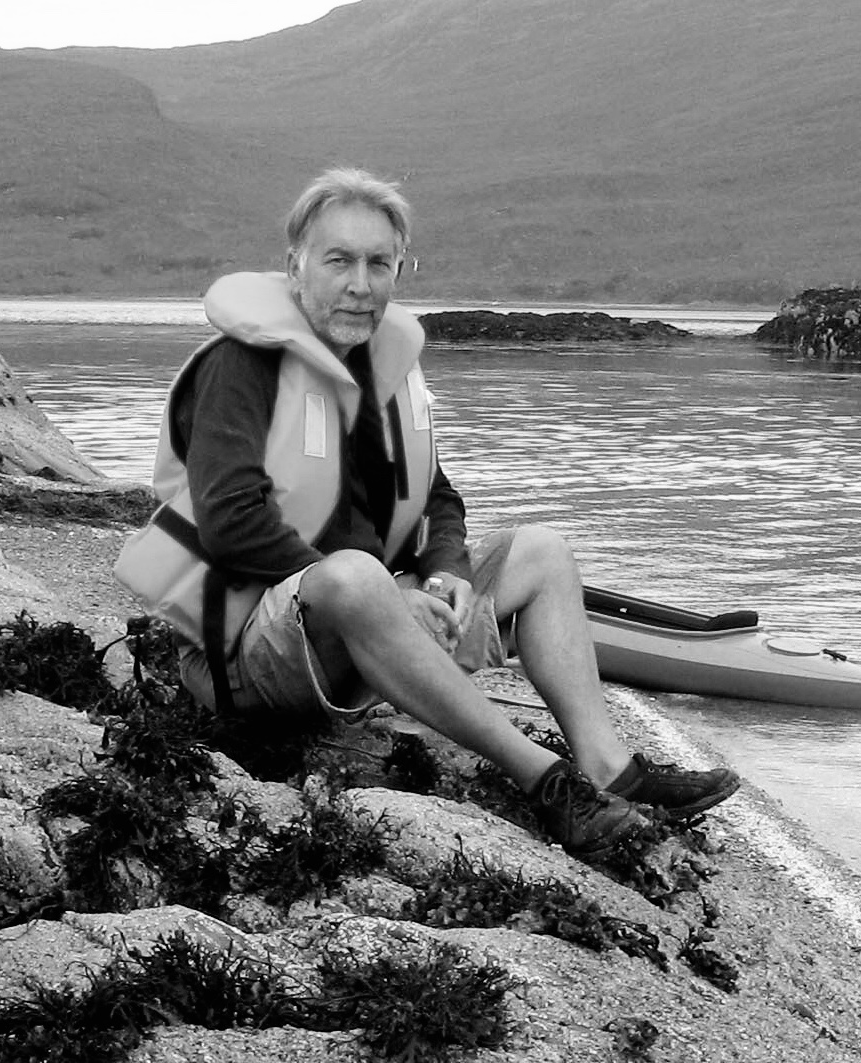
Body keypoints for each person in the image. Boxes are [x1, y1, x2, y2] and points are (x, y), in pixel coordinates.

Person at [115, 167, 739, 858]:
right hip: (245, 658)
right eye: (339, 261)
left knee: (542, 550)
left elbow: (437, 497)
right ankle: (547, 781)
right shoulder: (241, 366)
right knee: (355, 575)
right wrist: (388, 596)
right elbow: (231, 522)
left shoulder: (384, 367)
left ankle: (609, 766)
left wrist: (447, 574)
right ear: (295, 266)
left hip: (363, 627)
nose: (360, 284)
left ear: (398, 271)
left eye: (378, 263)